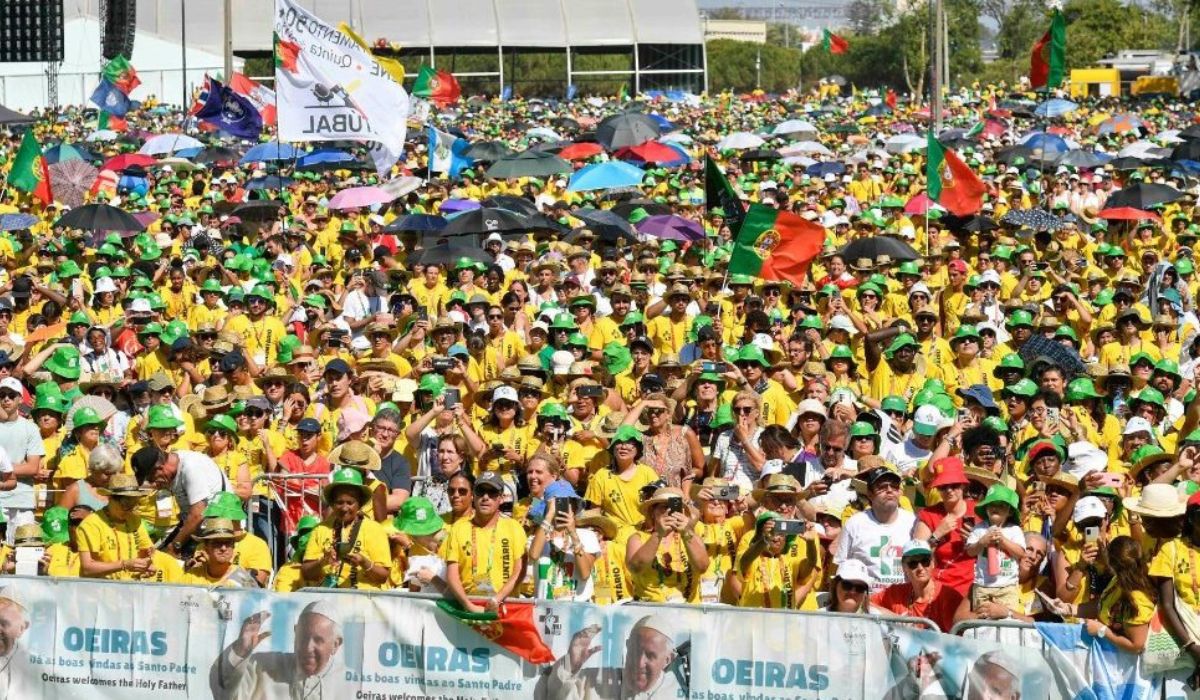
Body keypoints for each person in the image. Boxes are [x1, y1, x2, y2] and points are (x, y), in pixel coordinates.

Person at [209, 602, 349, 699]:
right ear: (295, 632)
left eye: (318, 640)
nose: (307, 648)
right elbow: (222, 693)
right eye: (303, 637)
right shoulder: (260, 666)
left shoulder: (351, 682)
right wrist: (240, 651)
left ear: (336, 644)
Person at [540, 614, 683, 700]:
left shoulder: (677, 694)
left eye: (650, 655)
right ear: (627, 646)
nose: (639, 663)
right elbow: (554, 695)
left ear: (667, 659)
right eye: (634, 651)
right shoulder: (593, 680)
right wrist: (570, 665)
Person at [443, 471, 528, 612]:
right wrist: (468, 606)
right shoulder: (459, 528)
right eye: (480, 492)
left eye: (492, 492)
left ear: (501, 498)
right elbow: (452, 574)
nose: (485, 497)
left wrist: (497, 599)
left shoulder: (513, 527)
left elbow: (520, 571)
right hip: (467, 607)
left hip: (504, 608)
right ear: (473, 496)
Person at [301, 468, 392, 590]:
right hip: (328, 600)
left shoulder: (375, 530)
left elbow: (383, 576)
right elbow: (306, 573)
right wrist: (324, 561)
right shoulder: (320, 529)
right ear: (332, 504)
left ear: (359, 503)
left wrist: (364, 562)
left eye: (350, 503)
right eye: (339, 502)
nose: (344, 508)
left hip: (363, 600)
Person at [135, 446, 229, 558]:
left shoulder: (191, 467)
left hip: (221, 531)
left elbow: (198, 514)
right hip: (200, 530)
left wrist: (175, 545)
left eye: (151, 478)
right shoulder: (175, 463)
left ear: (160, 468)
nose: (152, 483)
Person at [835, 466, 917, 591]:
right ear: (870, 494)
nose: (889, 490)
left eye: (894, 486)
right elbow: (841, 565)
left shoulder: (912, 522)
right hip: (867, 599)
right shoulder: (855, 523)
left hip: (903, 600)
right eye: (882, 487)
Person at [625, 486, 709, 603]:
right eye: (664, 507)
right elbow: (636, 568)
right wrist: (658, 534)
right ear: (653, 512)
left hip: (688, 611)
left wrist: (686, 532)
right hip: (651, 612)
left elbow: (702, 567)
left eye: (674, 508)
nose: (669, 512)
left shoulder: (692, 536)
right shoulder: (638, 538)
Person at [871, 539, 965, 632]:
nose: (920, 568)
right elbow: (865, 603)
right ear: (904, 567)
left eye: (925, 561)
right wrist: (894, 618)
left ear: (932, 563)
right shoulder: (895, 592)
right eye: (913, 563)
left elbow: (956, 639)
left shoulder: (947, 597)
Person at [963, 484, 1027, 612]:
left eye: (1001, 505)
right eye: (991, 504)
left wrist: (1003, 541)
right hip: (983, 585)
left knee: (1007, 621)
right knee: (982, 620)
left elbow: (1020, 553)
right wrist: (982, 542)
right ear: (986, 508)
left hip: (1007, 587)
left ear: (1009, 512)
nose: (995, 508)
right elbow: (969, 551)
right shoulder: (980, 528)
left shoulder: (1014, 530)